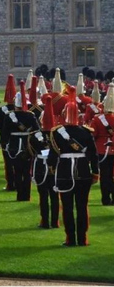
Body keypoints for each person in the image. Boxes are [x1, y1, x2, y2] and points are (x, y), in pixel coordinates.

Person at [49, 87, 99, 246]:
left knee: (68, 207)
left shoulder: (57, 132)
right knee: (82, 206)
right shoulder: (86, 132)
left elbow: (53, 154)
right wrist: (95, 172)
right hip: (83, 170)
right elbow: (93, 154)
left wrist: (51, 167)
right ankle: (82, 238)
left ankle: (70, 238)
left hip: (64, 170)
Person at [2, 80, 41, 202]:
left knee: (17, 171)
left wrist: (4, 144)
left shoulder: (10, 116)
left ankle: (20, 195)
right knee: (27, 171)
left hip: (14, 145)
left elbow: (4, 132)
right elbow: (37, 130)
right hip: (27, 145)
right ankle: (27, 196)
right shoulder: (30, 115)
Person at [29, 93, 60, 229]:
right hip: (56, 167)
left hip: (41, 165)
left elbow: (30, 152)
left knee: (43, 196)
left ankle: (45, 221)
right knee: (54, 195)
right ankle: (55, 221)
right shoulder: (58, 134)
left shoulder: (34, 136)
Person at [90, 83, 114, 205]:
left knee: (104, 176)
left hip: (101, 148)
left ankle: (105, 199)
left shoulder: (97, 119)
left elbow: (92, 134)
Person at [0, 74, 18, 191]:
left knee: (8, 164)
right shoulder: (23, 110)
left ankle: (11, 184)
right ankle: (20, 184)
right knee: (20, 164)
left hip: (6, 140)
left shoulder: (1, 110)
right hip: (21, 141)